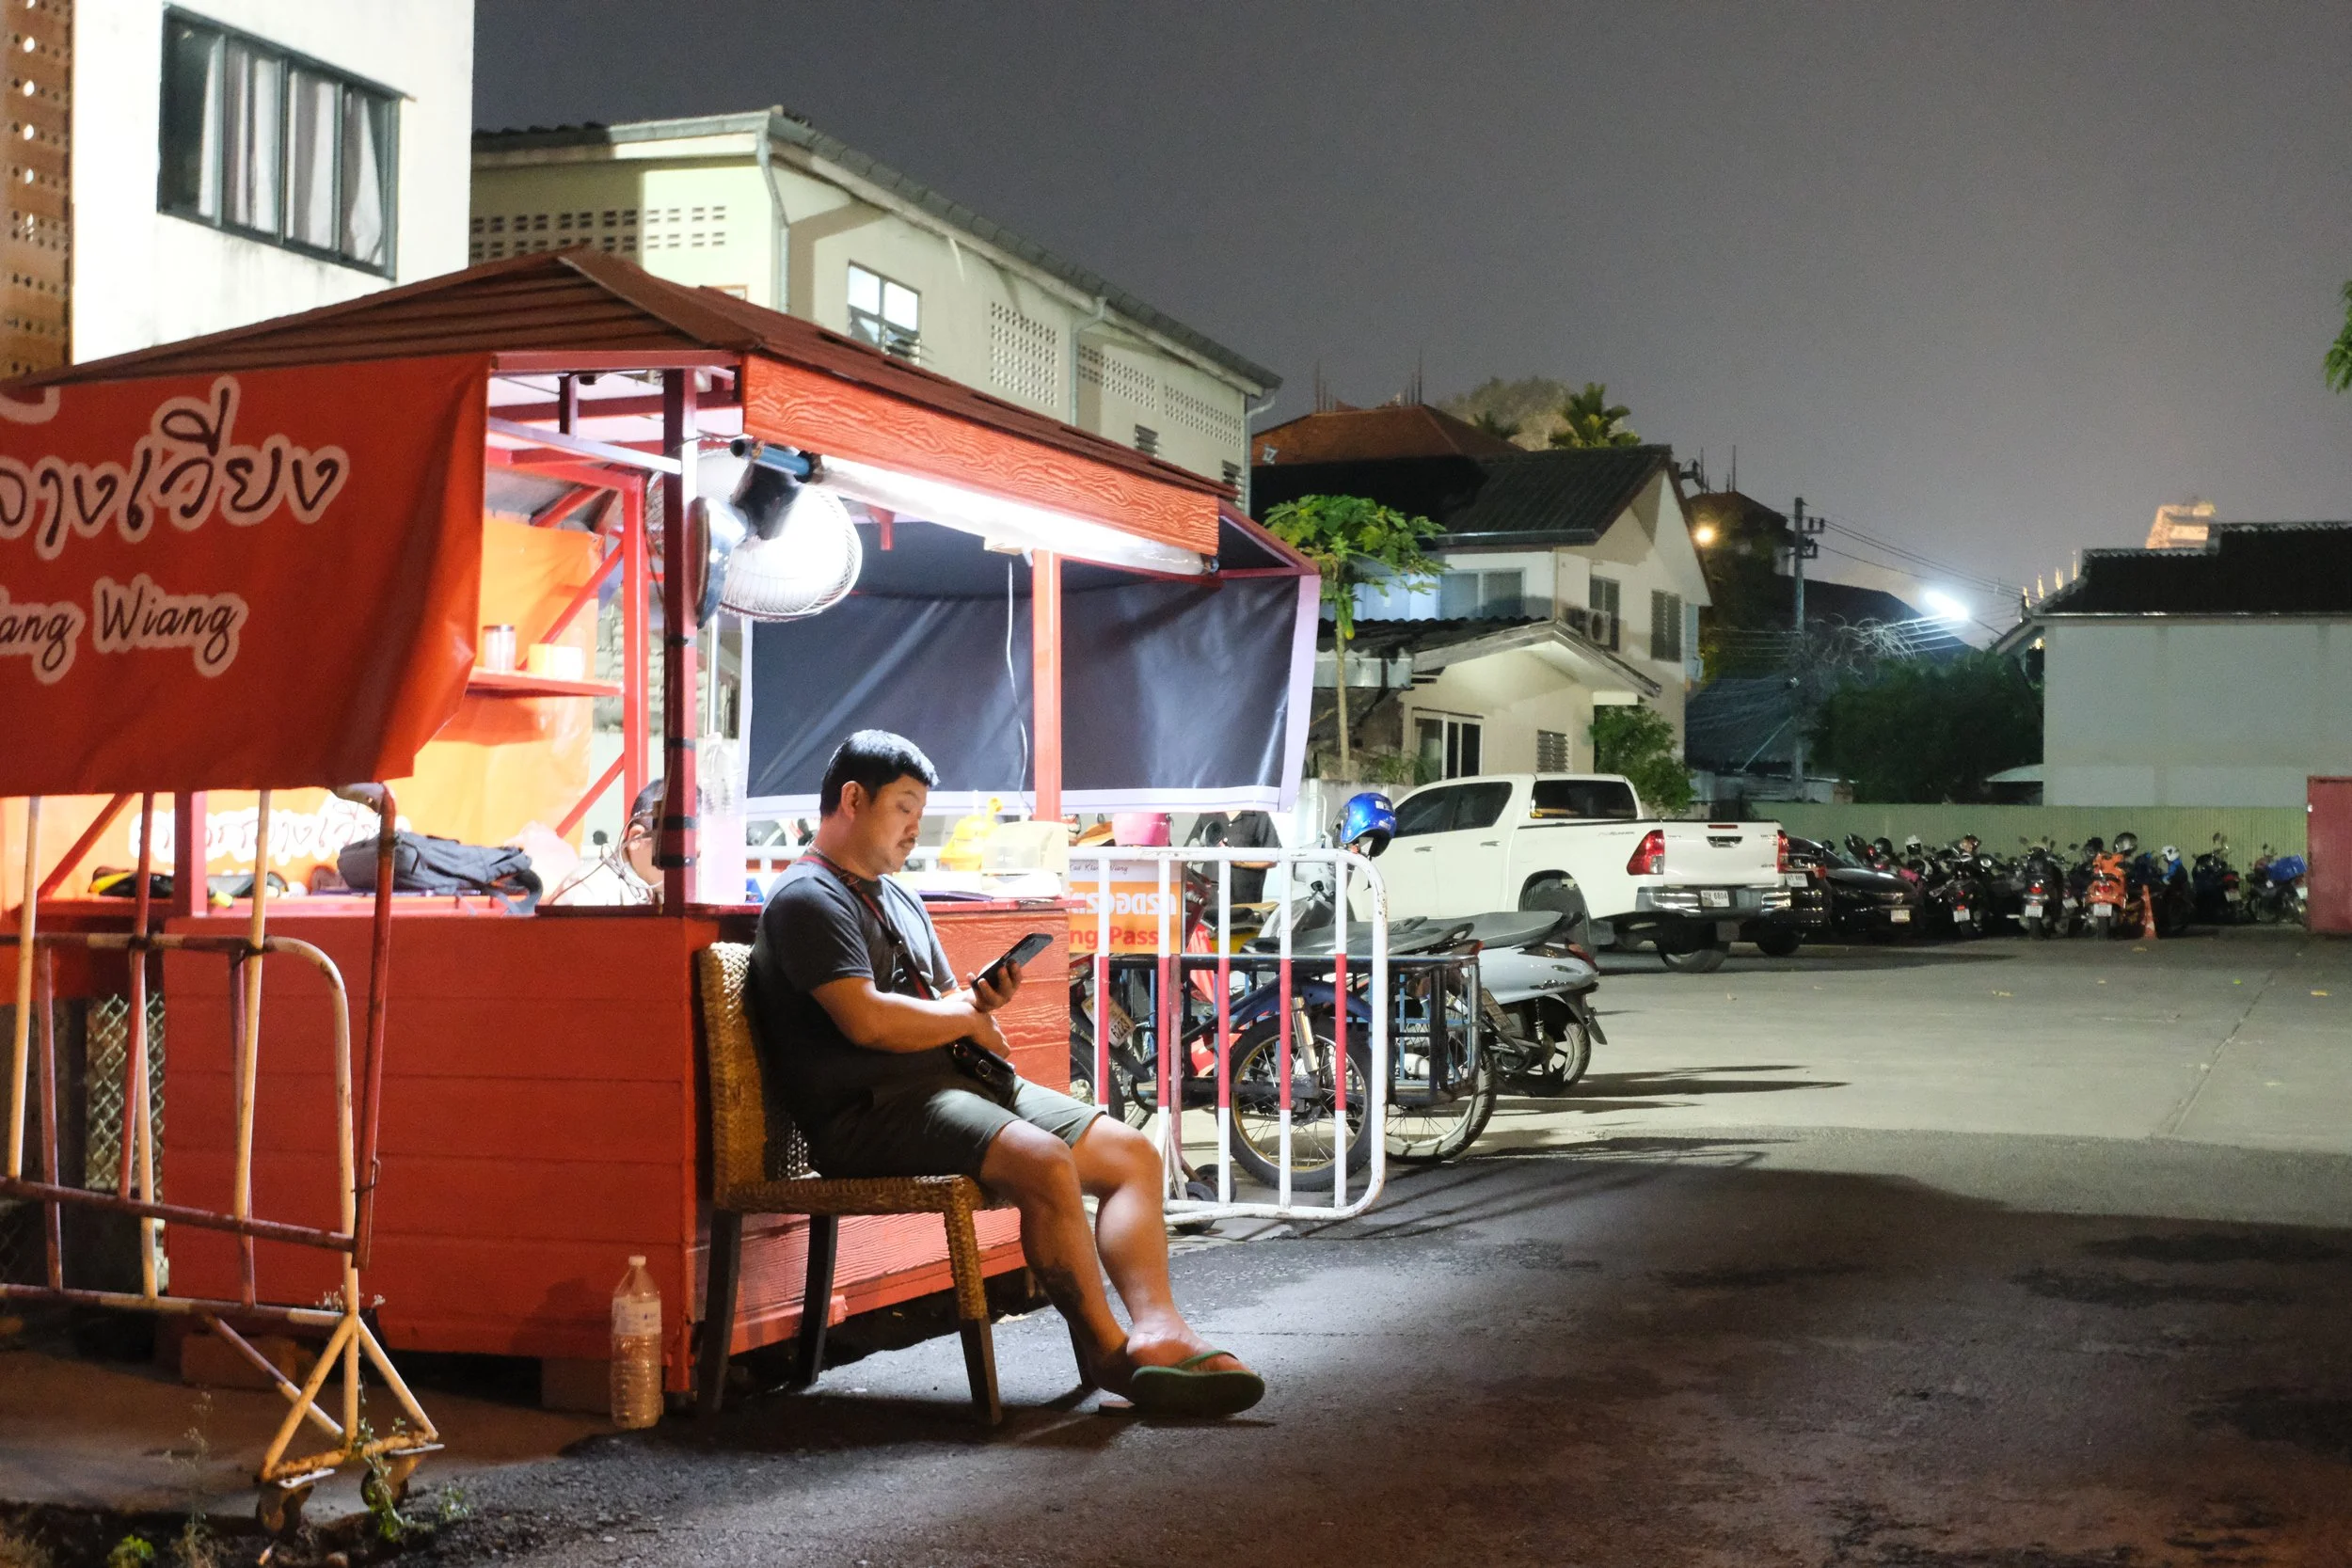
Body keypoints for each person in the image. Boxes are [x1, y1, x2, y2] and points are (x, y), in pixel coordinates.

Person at [748, 730, 1263, 1417]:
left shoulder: (898, 897)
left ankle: (1159, 1327)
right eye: (903, 806)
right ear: (852, 798)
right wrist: (962, 1017)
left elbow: (934, 1006)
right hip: (873, 1110)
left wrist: (974, 1006)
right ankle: (1113, 1356)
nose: (913, 826)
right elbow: (866, 1021)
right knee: (1046, 1161)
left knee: (1131, 1153)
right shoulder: (806, 898)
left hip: (950, 1087)